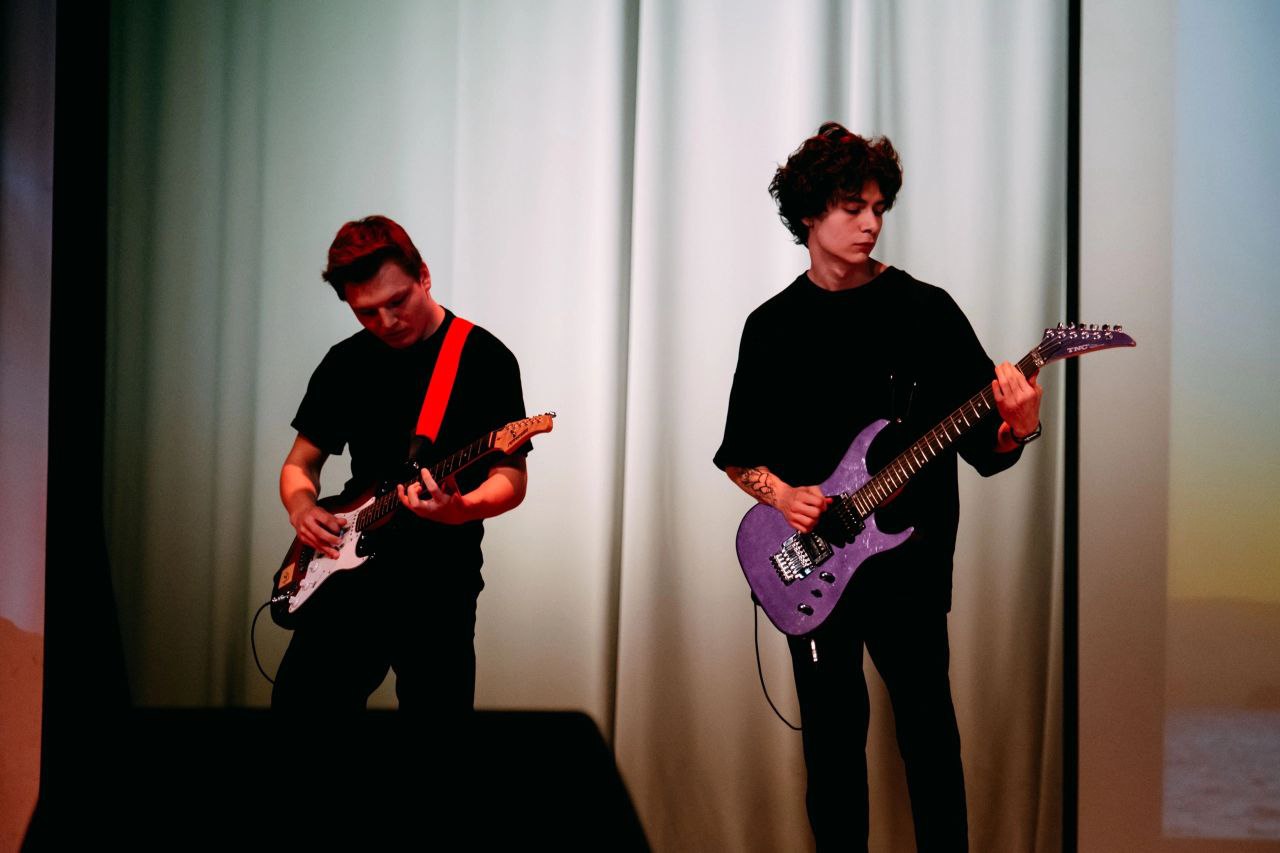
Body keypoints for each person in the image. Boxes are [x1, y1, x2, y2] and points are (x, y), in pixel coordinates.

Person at [714, 123, 1043, 850]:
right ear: (809, 212)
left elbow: (985, 449)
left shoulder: (927, 311)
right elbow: (739, 457)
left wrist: (1017, 426)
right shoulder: (770, 328)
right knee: (832, 751)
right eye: (852, 207)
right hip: (811, 565)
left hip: (911, 569)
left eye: (878, 208)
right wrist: (781, 495)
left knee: (931, 743)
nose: (871, 223)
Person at [272, 214, 530, 718]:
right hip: (345, 577)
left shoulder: (484, 358)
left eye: (397, 302)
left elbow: (511, 477)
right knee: (300, 716)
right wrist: (301, 507)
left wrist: (461, 509)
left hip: (439, 584)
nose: (387, 322)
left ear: (424, 276)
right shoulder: (345, 362)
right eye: (366, 312)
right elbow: (300, 463)